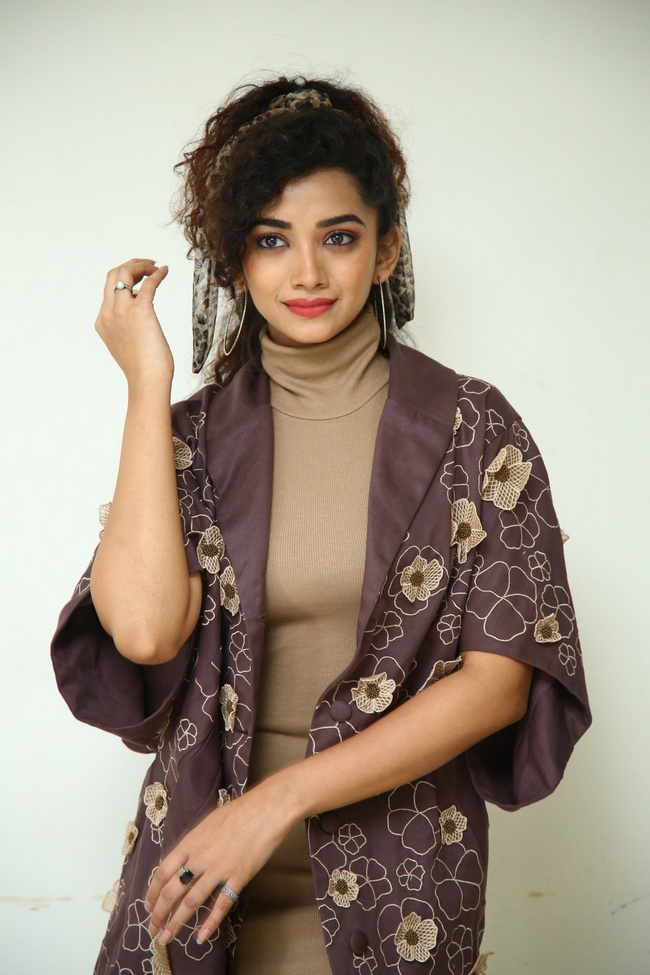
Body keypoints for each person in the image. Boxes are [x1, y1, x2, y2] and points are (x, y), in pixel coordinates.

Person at [51, 76, 590, 975]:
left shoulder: (474, 428)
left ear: (385, 251)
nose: (306, 273)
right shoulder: (186, 438)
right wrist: (148, 384)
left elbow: (499, 684)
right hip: (194, 883)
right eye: (271, 241)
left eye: (338, 237)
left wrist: (277, 802)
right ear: (233, 262)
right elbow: (143, 632)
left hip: (398, 884)